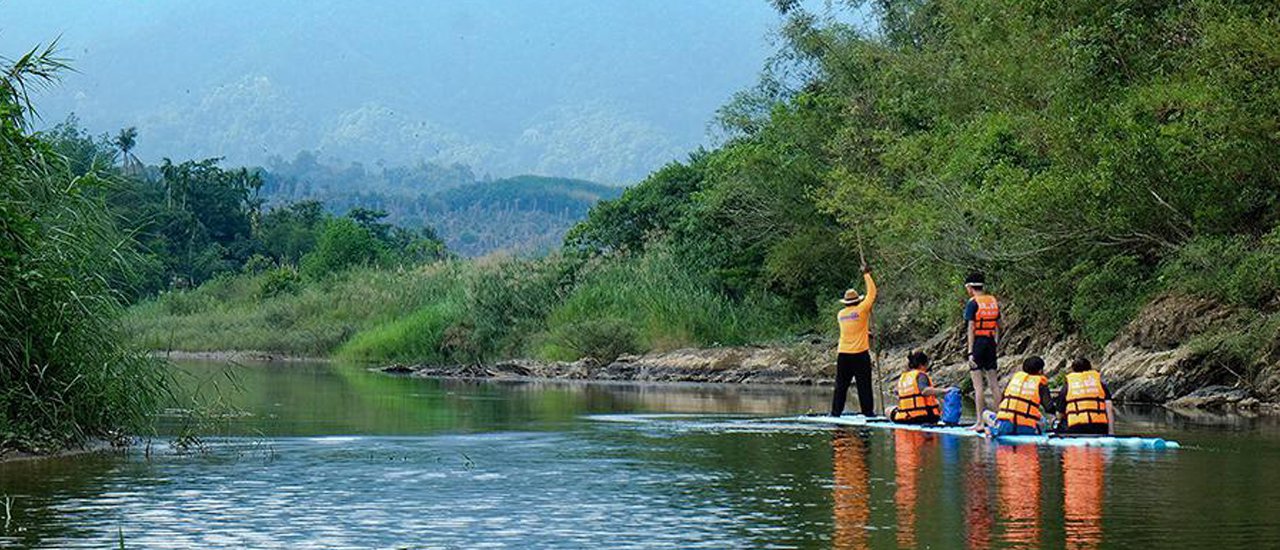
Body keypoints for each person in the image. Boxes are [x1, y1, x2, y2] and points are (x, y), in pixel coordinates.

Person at [831, 262, 876, 417]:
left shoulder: (841, 315)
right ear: (857, 301)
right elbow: (872, 294)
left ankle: (835, 413)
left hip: (843, 353)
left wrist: (866, 333)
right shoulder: (862, 310)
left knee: (841, 386)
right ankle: (868, 413)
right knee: (864, 385)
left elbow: (852, 327)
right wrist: (867, 274)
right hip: (859, 354)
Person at [963, 272, 1001, 427]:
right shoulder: (993, 301)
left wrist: (970, 352)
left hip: (978, 342)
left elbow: (971, 328)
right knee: (994, 383)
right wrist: (995, 342)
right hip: (991, 341)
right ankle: (1001, 418)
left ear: (970, 287)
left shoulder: (973, 303)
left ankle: (979, 422)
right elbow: (999, 324)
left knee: (978, 386)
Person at [982, 356, 1055, 436]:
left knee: (985, 413)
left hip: (1005, 427)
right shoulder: (1041, 384)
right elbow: (1049, 408)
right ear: (1040, 371)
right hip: (1027, 429)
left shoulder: (1014, 380)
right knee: (1043, 420)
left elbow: (1003, 400)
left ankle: (992, 428)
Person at [887, 351, 955, 424]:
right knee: (937, 402)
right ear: (922, 364)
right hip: (924, 417)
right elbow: (924, 391)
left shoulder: (904, 377)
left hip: (905, 417)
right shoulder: (921, 375)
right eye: (927, 364)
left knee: (888, 410)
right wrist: (944, 391)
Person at [1055, 357, 1114, 435]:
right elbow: (1109, 409)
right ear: (1090, 369)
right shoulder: (1100, 385)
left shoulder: (1068, 386)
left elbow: (1060, 413)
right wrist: (1111, 432)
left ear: (1073, 370)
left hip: (1076, 428)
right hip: (1100, 427)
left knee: (1058, 421)